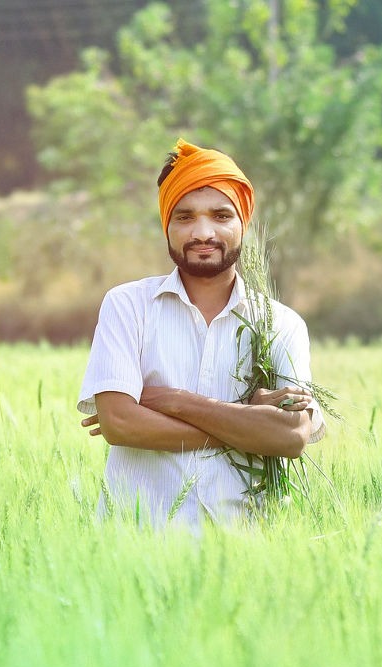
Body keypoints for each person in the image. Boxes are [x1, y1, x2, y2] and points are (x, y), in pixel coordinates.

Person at [77, 139, 325, 530]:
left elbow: (291, 436)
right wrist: (248, 423)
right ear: (167, 226)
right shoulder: (127, 306)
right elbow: (120, 424)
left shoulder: (281, 324)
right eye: (185, 217)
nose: (203, 232)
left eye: (221, 216)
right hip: (135, 544)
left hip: (242, 548)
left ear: (243, 223)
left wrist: (172, 401)